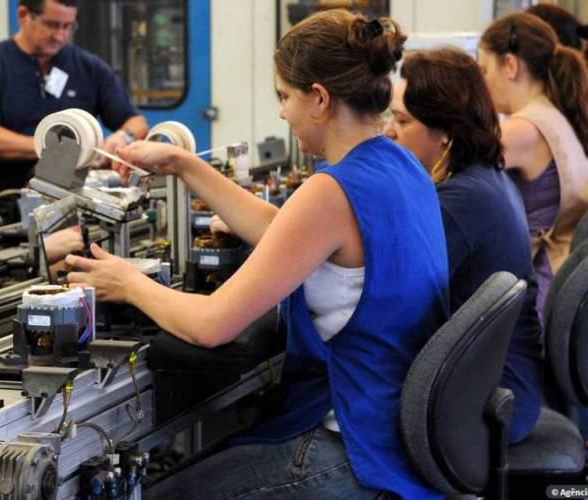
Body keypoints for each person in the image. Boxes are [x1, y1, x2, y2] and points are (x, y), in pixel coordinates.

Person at [66, 9, 449, 499]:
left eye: (285, 97)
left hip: (351, 447)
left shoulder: (332, 189)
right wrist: (183, 165)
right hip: (396, 433)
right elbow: (283, 232)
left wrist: (126, 282)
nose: (282, 112)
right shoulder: (400, 163)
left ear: (320, 99)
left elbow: (210, 325)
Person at [384, 46, 543, 444]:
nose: (389, 131)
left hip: (487, 400)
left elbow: (387, 293)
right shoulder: (483, 178)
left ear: (446, 134)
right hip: (500, 384)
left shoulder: (460, 202)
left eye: (403, 120)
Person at [0, 0, 149, 204]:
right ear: (23, 15)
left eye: (68, 26)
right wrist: (58, 150)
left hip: (78, 204)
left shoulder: (89, 68)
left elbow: (136, 123)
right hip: (6, 204)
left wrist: (123, 137)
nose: (60, 36)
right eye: (52, 25)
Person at [478, 12, 588, 319]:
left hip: (542, 289)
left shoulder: (522, 130)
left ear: (510, 66)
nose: (482, 82)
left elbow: (455, 164)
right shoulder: (551, 115)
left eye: (484, 69)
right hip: (561, 276)